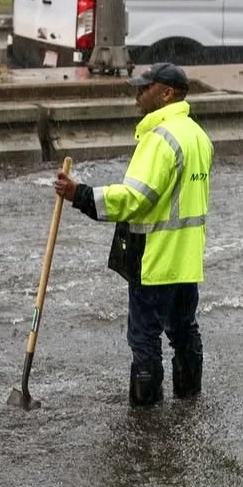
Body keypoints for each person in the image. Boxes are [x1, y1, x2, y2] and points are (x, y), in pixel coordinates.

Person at [53, 62, 214, 407]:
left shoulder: (160, 139)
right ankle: (189, 403)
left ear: (167, 93)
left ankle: (145, 418)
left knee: (144, 339)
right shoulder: (197, 135)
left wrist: (79, 194)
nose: (138, 94)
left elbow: (136, 199)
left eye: (145, 88)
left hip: (153, 257)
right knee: (185, 331)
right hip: (185, 259)